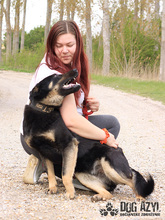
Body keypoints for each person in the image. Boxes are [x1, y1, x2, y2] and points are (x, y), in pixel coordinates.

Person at [20, 20, 120, 190]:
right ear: (52, 46)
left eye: (69, 44)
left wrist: (85, 104)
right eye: (59, 46)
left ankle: (43, 163)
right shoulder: (54, 73)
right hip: (43, 140)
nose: (64, 50)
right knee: (105, 132)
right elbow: (72, 120)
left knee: (111, 123)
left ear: (78, 43)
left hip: (49, 132)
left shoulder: (57, 62)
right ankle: (70, 173)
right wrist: (104, 137)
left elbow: (66, 110)